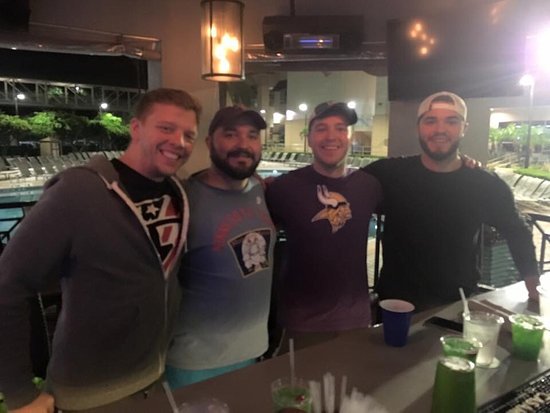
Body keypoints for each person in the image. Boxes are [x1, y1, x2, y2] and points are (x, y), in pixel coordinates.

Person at [0, 88, 202, 412]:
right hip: (88, 394)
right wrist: (19, 394)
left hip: (154, 379)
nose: (178, 141)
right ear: (136, 128)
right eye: (166, 128)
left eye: (188, 135)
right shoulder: (78, 192)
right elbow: (8, 283)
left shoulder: (179, 193)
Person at [363, 91, 539, 312]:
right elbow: (341, 188)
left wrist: (535, 294)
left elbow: (518, 233)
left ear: (464, 128)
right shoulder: (388, 174)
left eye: (451, 121)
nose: (440, 129)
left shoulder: (485, 184)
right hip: (395, 304)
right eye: (430, 121)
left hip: (457, 304)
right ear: (418, 127)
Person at [166, 106, 275, 388]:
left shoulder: (258, 188)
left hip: (253, 352)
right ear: (209, 142)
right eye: (230, 134)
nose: (243, 144)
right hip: (195, 363)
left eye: (252, 135)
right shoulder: (184, 200)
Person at [265, 102, 382, 351]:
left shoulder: (369, 186)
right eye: (321, 128)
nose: (331, 136)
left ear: (349, 137)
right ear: (308, 138)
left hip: (356, 321)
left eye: (340, 128)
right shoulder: (283, 189)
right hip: (300, 323)